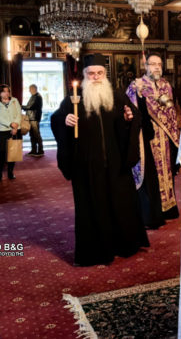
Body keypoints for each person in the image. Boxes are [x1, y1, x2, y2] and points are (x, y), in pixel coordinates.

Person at [51, 53, 149, 266]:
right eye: (91, 73)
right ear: (85, 75)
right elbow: (56, 119)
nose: (95, 77)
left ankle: (125, 245)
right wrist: (65, 120)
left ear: (105, 74)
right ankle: (96, 251)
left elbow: (135, 117)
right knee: (93, 208)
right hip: (88, 166)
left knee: (121, 204)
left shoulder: (117, 96)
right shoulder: (74, 99)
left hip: (116, 163)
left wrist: (129, 119)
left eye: (99, 73)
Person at [126, 52, 180, 228]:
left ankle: (168, 208)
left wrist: (173, 135)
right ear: (146, 66)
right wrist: (138, 94)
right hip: (146, 138)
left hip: (165, 137)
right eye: (153, 64)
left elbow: (171, 112)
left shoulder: (166, 85)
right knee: (151, 175)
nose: (157, 67)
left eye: (159, 64)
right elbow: (131, 111)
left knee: (167, 172)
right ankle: (153, 213)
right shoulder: (136, 85)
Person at [0, 84, 22, 182]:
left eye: (8, 91)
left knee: (13, 152)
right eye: (4, 91)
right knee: (1, 153)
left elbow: (19, 114)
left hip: (15, 129)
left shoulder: (14, 100)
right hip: (2, 131)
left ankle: (10, 172)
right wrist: (10, 124)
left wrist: (15, 125)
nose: (6, 93)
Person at [22, 84, 44, 157]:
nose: (29, 90)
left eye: (30, 89)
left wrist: (21, 106)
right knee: (32, 135)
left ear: (34, 89)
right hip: (31, 118)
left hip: (34, 118)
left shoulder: (37, 97)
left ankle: (40, 151)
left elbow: (30, 106)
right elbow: (30, 106)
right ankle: (33, 150)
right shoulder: (34, 96)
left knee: (36, 135)